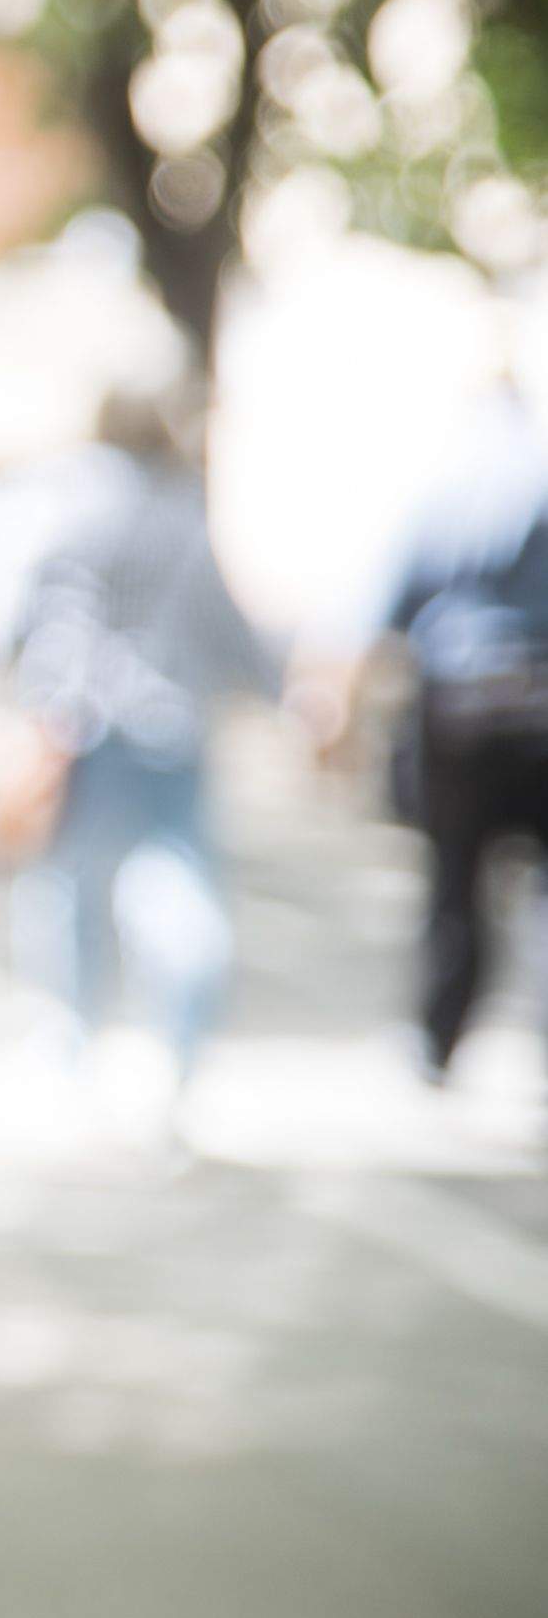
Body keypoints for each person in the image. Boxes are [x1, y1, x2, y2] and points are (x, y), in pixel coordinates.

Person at [0, 381, 285, 1135]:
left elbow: (10, 609)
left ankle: (68, 1047)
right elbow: (223, 619)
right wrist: (274, 688)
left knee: (68, 892)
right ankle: (178, 1056)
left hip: (76, 723)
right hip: (169, 720)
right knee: (178, 887)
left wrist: (24, 680)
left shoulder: (62, 499)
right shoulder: (180, 508)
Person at [289, 366, 548, 1085]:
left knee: (453, 879)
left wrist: (331, 711)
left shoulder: (443, 486)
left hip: (461, 710)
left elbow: (372, 606)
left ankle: (438, 1043)